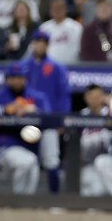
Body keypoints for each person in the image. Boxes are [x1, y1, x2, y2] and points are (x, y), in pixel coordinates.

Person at [0, 63, 50, 194]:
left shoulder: (35, 97)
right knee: (27, 162)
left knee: (32, 165)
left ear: (25, 79)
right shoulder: (0, 97)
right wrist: (4, 109)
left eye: (20, 77)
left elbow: (51, 118)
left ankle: (26, 203)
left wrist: (35, 111)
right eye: (13, 77)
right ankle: (18, 201)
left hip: (30, 146)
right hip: (5, 146)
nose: (17, 81)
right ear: (7, 80)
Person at [21, 30, 71, 193]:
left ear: (48, 45)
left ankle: (53, 198)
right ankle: (24, 200)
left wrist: (61, 119)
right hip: (24, 121)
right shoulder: (23, 67)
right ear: (32, 44)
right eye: (37, 42)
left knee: (51, 159)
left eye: (43, 42)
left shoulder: (56, 67)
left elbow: (63, 95)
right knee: (26, 161)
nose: (40, 45)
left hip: (48, 121)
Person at [78, 84, 112, 197]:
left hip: (107, 162)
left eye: (97, 96)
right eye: (91, 96)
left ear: (103, 97)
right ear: (85, 98)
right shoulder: (81, 116)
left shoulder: (109, 114)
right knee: (86, 193)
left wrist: (110, 111)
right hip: (86, 165)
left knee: (98, 191)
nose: (94, 100)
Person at [38, 0, 83, 65]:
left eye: (60, 8)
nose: (57, 11)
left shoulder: (76, 27)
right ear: (50, 11)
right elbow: (37, 49)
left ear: (65, 9)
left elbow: (81, 48)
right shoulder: (44, 28)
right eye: (54, 8)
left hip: (71, 66)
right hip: (48, 67)